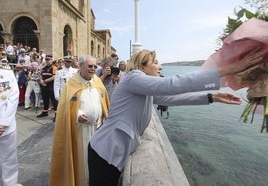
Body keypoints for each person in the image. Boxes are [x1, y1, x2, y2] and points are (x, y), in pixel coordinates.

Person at [87, 49, 268, 186]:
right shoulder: (134, 78)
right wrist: (225, 70)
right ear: (142, 66)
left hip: (111, 152)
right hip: (104, 151)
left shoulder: (143, 89)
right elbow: (172, 84)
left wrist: (211, 97)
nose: (161, 66)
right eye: (156, 62)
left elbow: (173, 98)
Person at [49, 55, 110, 186]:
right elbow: (65, 107)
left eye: (95, 66)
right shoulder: (71, 83)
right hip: (81, 130)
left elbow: (104, 101)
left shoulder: (98, 81)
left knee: (98, 160)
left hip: (99, 128)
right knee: (83, 160)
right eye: (90, 66)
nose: (93, 69)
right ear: (80, 66)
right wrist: (77, 114)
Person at [0, 59, 22, 186]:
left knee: (9, 158)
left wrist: (3, 122)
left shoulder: (6, 72)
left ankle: (10, 183)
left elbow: (13, 98)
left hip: (6, 125)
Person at [37, 54, 58, 120]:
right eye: (46, 60)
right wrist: (41, 81)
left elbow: (54, 77)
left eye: (49, 60)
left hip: (51, 86)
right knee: (45, 100)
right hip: (44, 86)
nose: (47, 61)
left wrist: (45, 81)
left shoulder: (54, 67)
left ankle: (57, 115)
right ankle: (45, 112)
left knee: (54, 101)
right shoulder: (43, 67)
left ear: (52, 60)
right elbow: (40, 75)